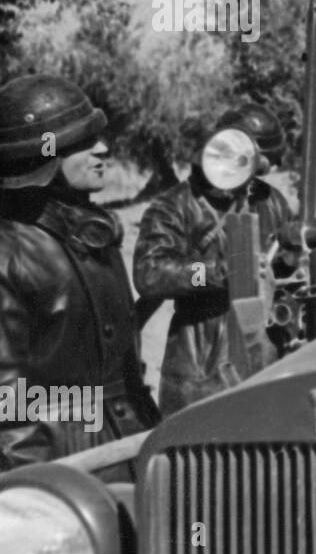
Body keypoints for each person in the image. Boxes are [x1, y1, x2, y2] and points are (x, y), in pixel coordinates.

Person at [0, 75, 160, 470]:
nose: (103, 149)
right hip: (64, 467)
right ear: (43, 157)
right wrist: (35, 492)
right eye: (82, 143)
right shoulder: (9, 252)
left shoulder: (92, 233)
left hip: (134, 446)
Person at [133, 106, 297, 416]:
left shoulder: (270, 201)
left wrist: (290, 256)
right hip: (200, 371)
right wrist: (215, 273)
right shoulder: (176, 205)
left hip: (264, 360)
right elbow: (150, 273)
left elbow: (286, 273)